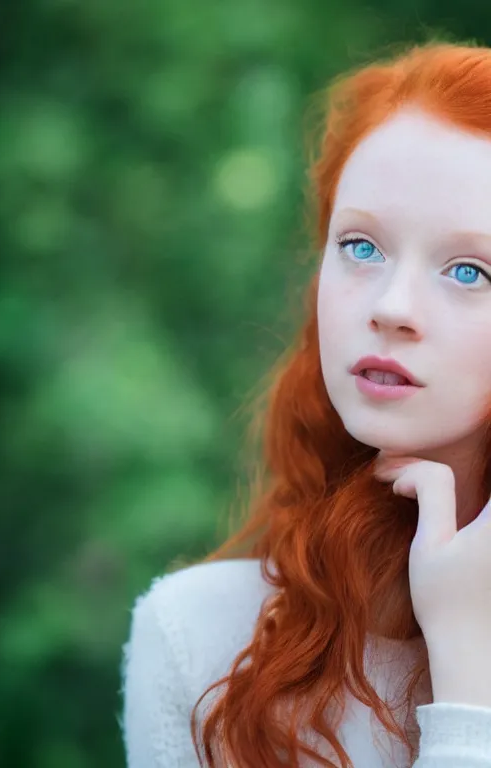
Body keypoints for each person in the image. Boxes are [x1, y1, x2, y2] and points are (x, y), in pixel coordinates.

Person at [120, 40, 491, 767]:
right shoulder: (200, 643)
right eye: (360, 247)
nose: (391, 306)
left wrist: (466, 666)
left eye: (469, 269)